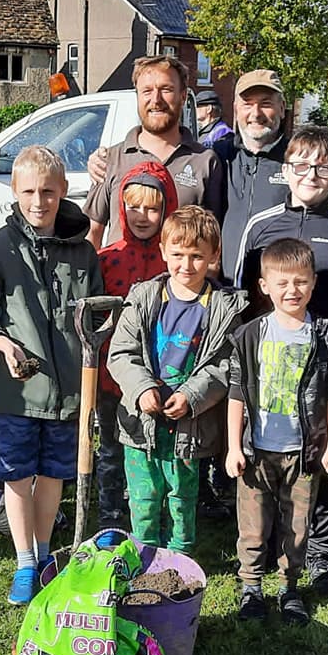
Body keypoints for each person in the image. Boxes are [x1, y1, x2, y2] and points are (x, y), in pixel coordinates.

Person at [233, 125, 328, 592]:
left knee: (324, 462)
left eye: (323, 165)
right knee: (271, 459)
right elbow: (242, 305)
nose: (310, 174)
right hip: (273, 369)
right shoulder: (261, 226)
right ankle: (261, 550)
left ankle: (319, 554)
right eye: (301, 163)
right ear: (286, 168)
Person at [0, 145, 103, 606]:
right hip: (18, 392)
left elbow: (97, 313)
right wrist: (2, 344)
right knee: (17, 475)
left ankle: (45, 552)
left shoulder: (83, 253)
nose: (39, 201)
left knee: (53, 474)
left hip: (68, 392)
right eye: (29, 192)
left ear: (63, 192)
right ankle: (25, 560)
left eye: (48, 191)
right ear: (14, 191)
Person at [107, 205, 245, 552]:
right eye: (178, 254)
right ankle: (145, 551)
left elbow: (225, 365)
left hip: (189, 425)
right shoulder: (143, 298)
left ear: (214, 255)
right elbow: (121, 353)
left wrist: (192, 396)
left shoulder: (223, 309)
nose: (186, 265)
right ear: (163, 251)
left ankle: (180, 555)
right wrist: (140, 389)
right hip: (141, 423)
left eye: (197, 256)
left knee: (182, 493)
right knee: (143, 492)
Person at [225, 238, 328, 627]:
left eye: (300, 282)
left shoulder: (325, 335)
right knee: (254, 524)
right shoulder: (250, 335)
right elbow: (236, 393)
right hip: (257, 450)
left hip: (303, 452)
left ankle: (289, 586)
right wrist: (233, 447)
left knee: (297, 526)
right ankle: (251, 586)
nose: (291, 291)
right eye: (282, 283)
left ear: (312, 283)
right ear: (264, 286)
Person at [95, 159, 179, 528]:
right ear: (121, 207)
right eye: (134, 206)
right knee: (112, 450)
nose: (143, 215)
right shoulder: (106, 260)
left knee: (159, 450)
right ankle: (111, 519)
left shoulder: (174, 260)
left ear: (166, 209)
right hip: (113, 379)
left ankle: (161, 516)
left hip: (164, 374)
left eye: (153, 207)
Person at [84, 55, 224, 247]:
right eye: (147, 91)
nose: (156, 100)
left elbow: (215, 241)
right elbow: (93, 234)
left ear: (183, 96)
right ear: (138, 96)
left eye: (166, 89)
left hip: (180, 276)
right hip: (120, 276)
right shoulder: (111, 159)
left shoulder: (206, 162)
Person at [213, 70, 292, 283]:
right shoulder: (217, 156)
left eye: (266, 103)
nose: (256, 113)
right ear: (236, 109)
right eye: (247, 104)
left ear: (282, 108)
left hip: (277, 296)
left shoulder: (297, 163)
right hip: (221, 293)